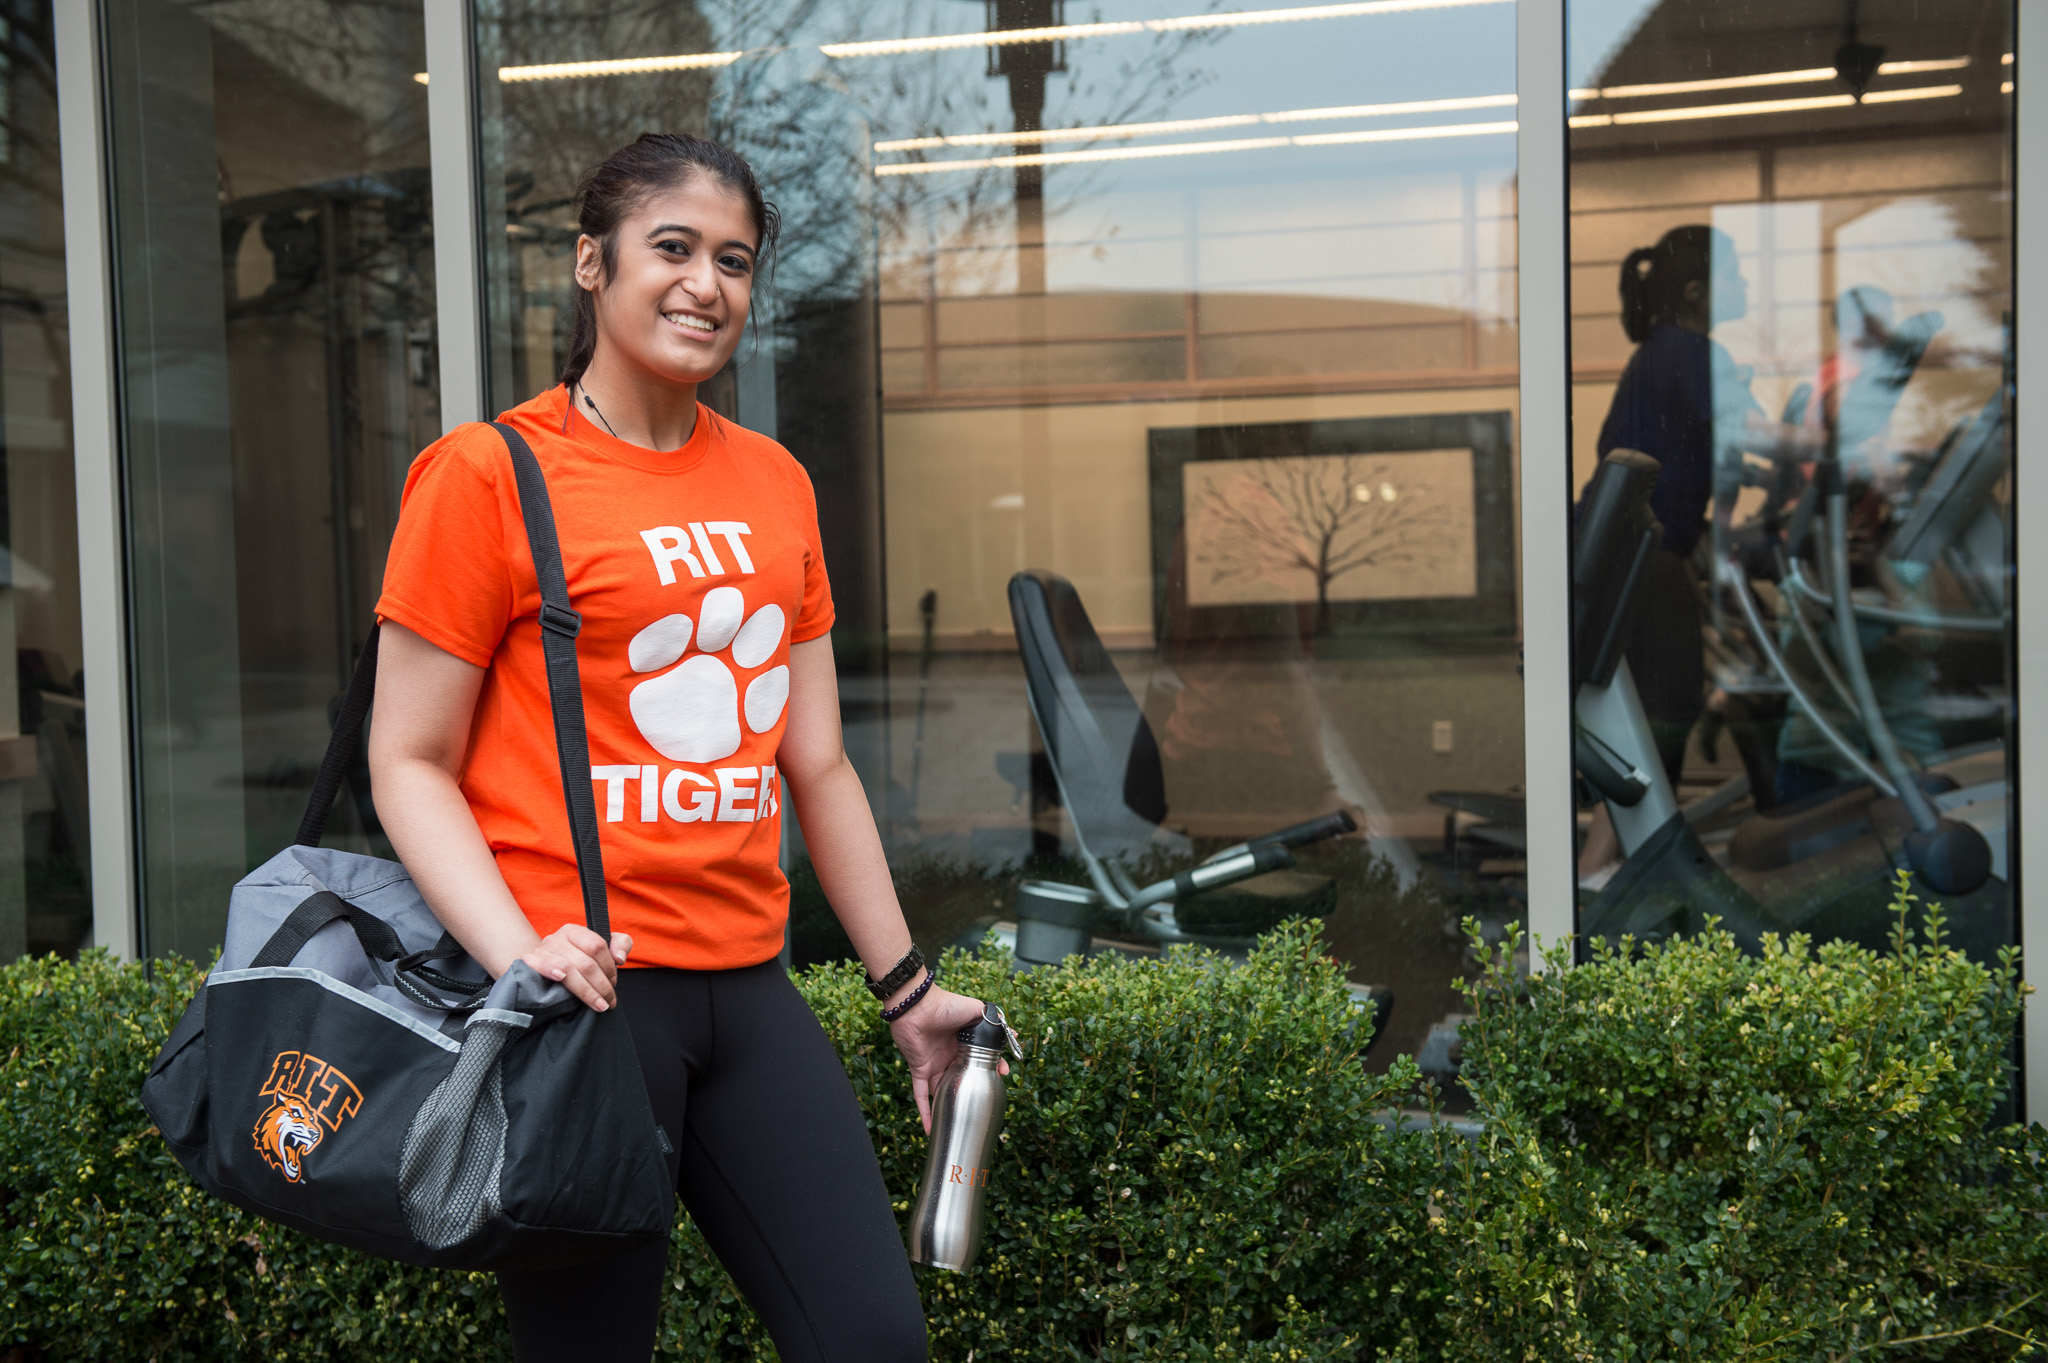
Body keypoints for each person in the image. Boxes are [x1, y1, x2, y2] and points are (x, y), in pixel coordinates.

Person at [368, 134, 979, 1363]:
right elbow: (408, 759)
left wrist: (907, 989)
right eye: (674, 248)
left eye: (735, 261)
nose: (707, 284)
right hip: (584, 1002)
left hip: (747, 984)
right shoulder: (489, 474)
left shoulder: (775, 482)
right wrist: (520, 955)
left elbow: (816, 763)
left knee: (873, 1341)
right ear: (591, 263)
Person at [1577, 225, 1817, 881]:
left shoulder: (1661, 354)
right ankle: (1602, 879)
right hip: (1640, 559)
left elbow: (1716, 451)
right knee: (1666, 718)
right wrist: (1841, 445)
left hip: (1627, 555)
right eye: (1735, 274)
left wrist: (1767, 477)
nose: (1745, 285)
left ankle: (1598, 871)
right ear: (1695, 290)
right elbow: (1755, 432)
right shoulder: (1687, 352)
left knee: (1648, 721)